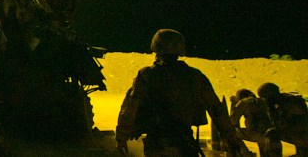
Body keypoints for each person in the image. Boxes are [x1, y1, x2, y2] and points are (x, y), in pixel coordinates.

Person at [115, 29, 248, 156]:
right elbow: (216, 109)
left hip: (157, 145)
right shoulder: (195, 76)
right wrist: (231, 138)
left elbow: (130, 107)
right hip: (185, 144)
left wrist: (121, 137)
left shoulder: (147, 75)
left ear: (156, 49)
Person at [257, 82, 308, 156]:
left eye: (265, 97)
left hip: (302, 133)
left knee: (272, 134)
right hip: (294, 132)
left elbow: (299, 121)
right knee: (270, 133)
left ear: (271, 95)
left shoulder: (292, 101)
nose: (265, 100)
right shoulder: (276, 104)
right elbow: (276, 123)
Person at [230, 88, 279, 156]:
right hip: (269, 134)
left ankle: (245, 153)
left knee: (231, 133)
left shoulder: (243, 102)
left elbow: (232, 120)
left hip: (255, 133)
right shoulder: (262, 101)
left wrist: (234, 104)